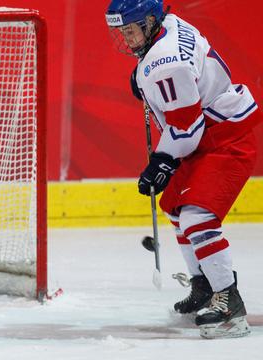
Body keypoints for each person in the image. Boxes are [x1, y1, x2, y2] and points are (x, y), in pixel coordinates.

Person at [106, 0, 260, 339]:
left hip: (223, 140)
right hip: (213, 132)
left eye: (130, 31)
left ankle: (230, 306)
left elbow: (187, 130)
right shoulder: (169, 24)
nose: (126, 39)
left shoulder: (166, 63)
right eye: (122, 32)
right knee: (176, 209)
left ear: (149, 22)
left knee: (197, 218)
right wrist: (142, 75)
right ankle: (204, 283)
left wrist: (162, 161)